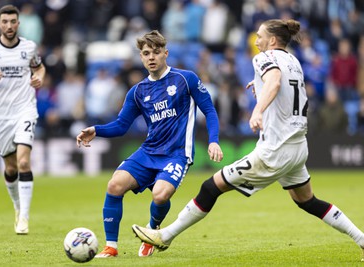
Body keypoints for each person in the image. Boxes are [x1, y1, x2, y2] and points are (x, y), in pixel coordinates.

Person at [132, 19, 364, 261]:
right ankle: (362, 239)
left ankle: (165, 236)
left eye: (259, 36)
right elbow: (284, 85)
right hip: (298, 146)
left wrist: (258, 110)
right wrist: (261, 85)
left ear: (272, 40)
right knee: (307, 200)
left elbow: (274, 81)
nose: (256, 41)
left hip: (275, 149)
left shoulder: (263, 57)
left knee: (211, 187)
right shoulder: (293, 61)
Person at [76, 30, 223, 258]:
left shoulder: (186, 79)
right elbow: (121, 125)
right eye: (146, 53)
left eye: (156, 52)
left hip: (176, 154)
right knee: (114, 185)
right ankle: (111, 247)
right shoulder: (137, 92)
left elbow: (210, 111)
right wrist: (97, 130)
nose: (151, 57)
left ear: (165, 53)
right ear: (141, 58)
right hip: (149, 151)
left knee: (160, 195)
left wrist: (213, 141)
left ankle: (152, 231)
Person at [0, 5, 46, 235]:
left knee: (24, 162)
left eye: (13, 21)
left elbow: (40, 68)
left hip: (25, 109)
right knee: (11, 168)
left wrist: (38, 79)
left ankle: (24, 217)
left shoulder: (29, 47)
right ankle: (17, 206)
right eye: (5, 22)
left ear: (18, 23)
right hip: (1, 115)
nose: (9, 26)